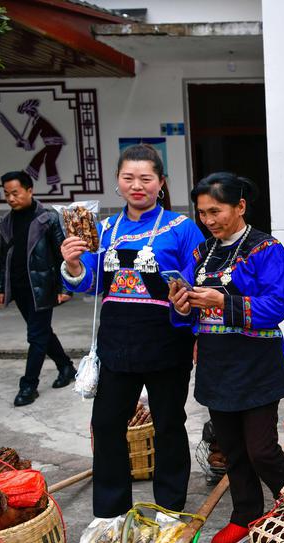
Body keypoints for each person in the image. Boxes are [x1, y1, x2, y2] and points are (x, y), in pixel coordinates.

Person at [60, 143, 204, 518]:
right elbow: (90, 282)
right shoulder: (103, 229)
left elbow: (199, 282)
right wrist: (74, 263)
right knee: (106, 425)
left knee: (169, 424)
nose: (136, 185)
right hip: (116, 342)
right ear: (118, 183)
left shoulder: (182, 228)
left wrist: (198, 330)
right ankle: (110, 512)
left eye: (146, 178)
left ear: (161, 183)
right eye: (128, 178)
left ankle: (170, 508)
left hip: (166, 341)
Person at [169, 172, 284, 543]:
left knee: (262, 449)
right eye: (202, 213)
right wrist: (181, 305)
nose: (208, 220)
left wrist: (223, 302)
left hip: (256, 363)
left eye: (215, 211)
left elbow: (276, 307)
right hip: (215, 363)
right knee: (232, 449)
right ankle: (245, 514)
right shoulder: (200, 253)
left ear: (240, 207)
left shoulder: (267, 249)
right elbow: (186, 315)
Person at [0, 171, 76, 406]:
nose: (11, 198)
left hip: (43, 287)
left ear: (30, 190)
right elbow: (2, 258)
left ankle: (28, 386)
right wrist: (0, 287)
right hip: (19, 288)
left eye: (15, 193)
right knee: (42, 333)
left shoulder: (47, 218)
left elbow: (63, 254)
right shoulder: (8, 222)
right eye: (7, 194)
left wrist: (66, 287)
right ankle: (66, 368)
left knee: (36, 336)